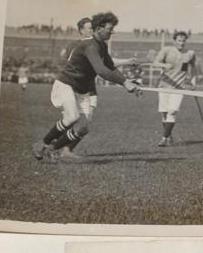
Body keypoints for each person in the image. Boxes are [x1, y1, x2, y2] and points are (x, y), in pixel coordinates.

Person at [33, 11, 140, 162]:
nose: (112, 31)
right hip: (66, 84)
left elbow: (109, 66)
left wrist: (126, 81)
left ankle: (51, 149)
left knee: (83, 127)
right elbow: (101, 71)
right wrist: (124, 83)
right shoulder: (90, 46)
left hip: (82, 89)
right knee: (72, 117)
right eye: (110, 28)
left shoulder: (102, 45)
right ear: (99, 29)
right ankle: (42, 144)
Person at [150, 30, 197, 147]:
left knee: (172, 111)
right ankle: (169, 136)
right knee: (165, 113)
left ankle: (164, 138)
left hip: (179, 87)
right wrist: (164, 65)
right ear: (174, 41)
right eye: (179, 41)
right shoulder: (166, 50)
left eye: (183, 41)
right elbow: (155, 63)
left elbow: (194, 68)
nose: (181, 43)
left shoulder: (190, 53)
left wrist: (193, 82)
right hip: (164, 85)